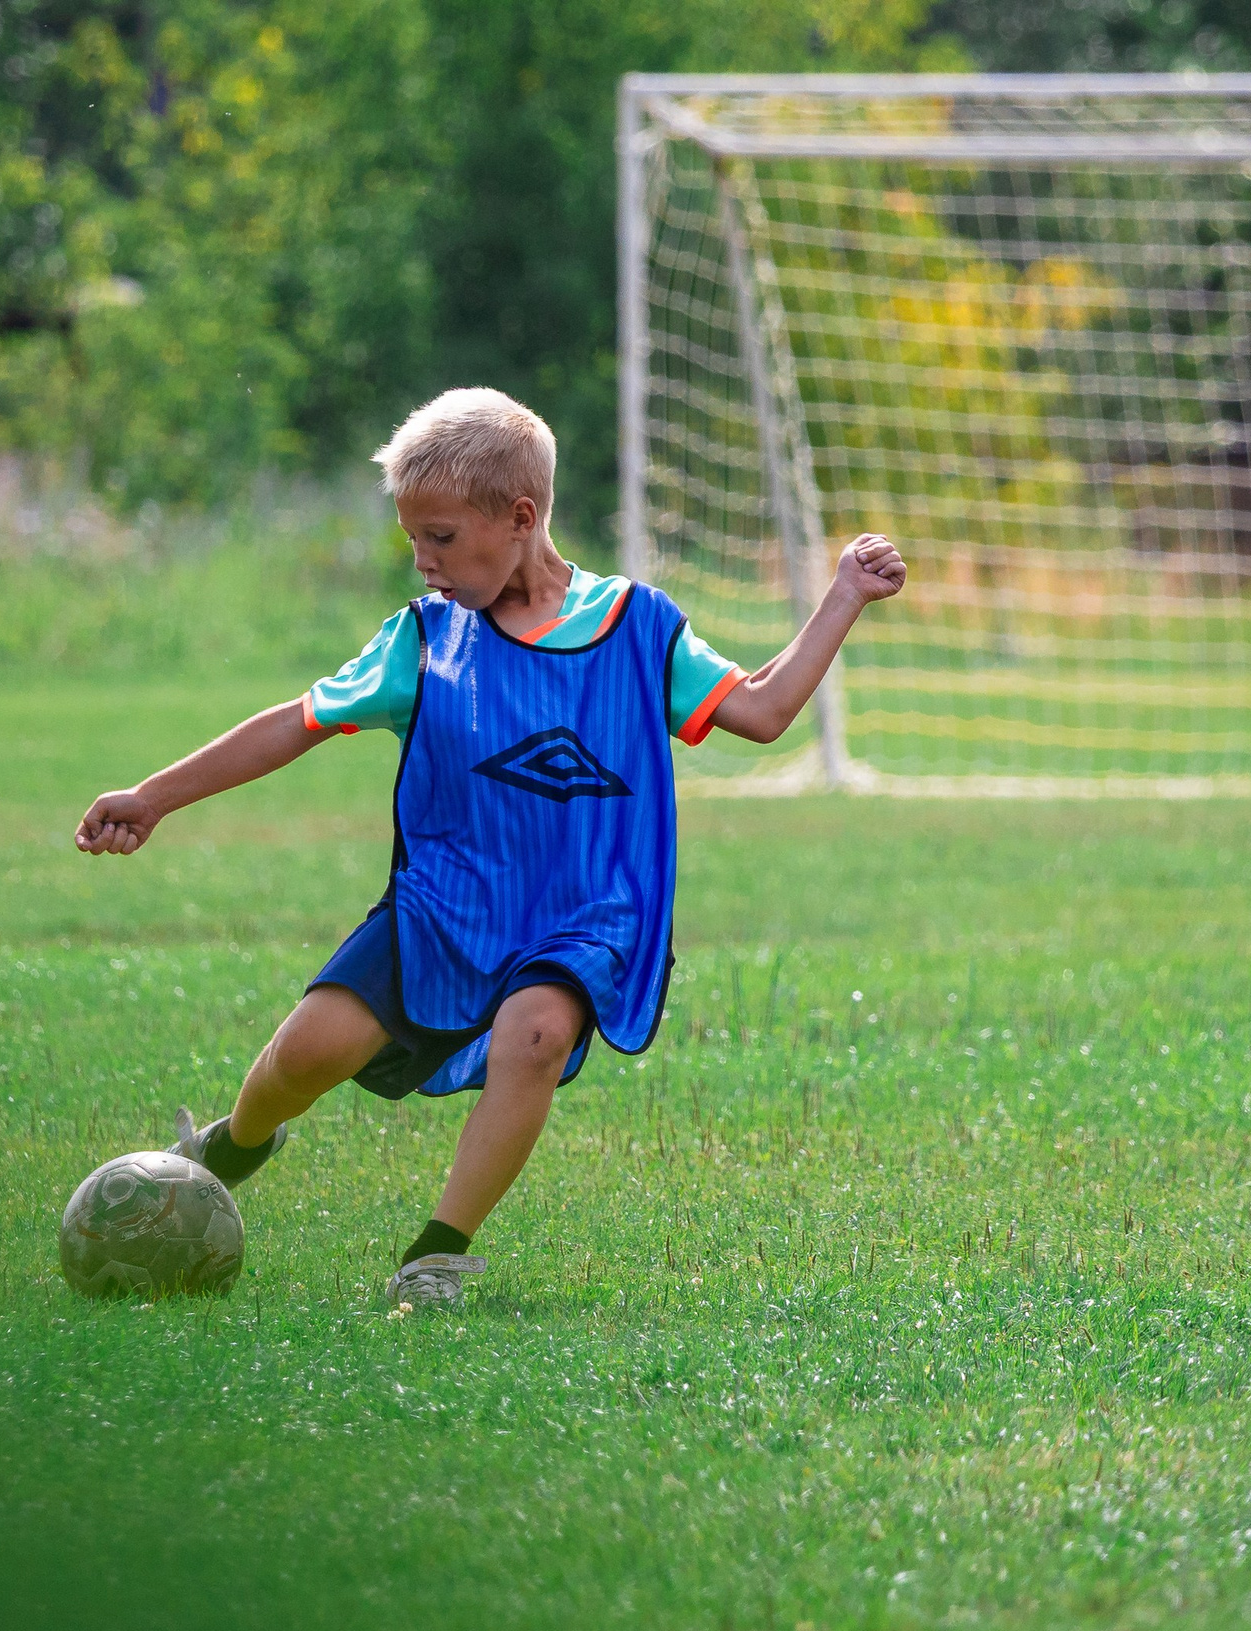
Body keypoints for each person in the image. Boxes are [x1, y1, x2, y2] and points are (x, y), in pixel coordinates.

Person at [74, 387, 906, 1307]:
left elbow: (760, 708)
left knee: (537, 1032)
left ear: (519, 519)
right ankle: (230, 1147)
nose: (424, 564)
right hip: (445, 906)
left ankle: (436, 1254)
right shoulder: (425, 642)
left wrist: (843, 596)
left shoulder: (638, 630)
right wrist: (153, 797)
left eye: (441, 538)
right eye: (413, 541)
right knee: (311, 1052)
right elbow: (295, 724)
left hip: (588, 912)